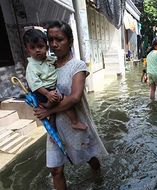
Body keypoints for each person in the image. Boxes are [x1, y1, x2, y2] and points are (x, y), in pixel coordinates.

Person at [33, 21, 108, 190]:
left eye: (59, 39)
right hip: (54, 124)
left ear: (70, 40)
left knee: (89, 157)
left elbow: (74, 97)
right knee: (56, 170)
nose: (54, 44)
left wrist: (47, 110)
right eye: (50, 40)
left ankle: (98, 175)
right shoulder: (47, 65)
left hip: (76, 123)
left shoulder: (78, 66)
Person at [24, 28, 87, 130]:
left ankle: (54, 125)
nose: (37, 50)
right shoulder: (32, 66)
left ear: (46, 47)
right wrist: (47, 94)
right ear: (27, 50)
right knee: (62, 98)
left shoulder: (52, 61)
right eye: (33, 48)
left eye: (40, 46)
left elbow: (75, 97)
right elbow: (34, 84)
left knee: (57, 102)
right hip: (43, 92)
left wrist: (48, 111)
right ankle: (74, 122)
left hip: (50, 91)